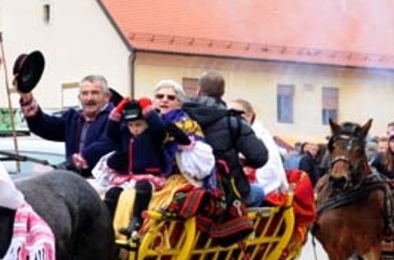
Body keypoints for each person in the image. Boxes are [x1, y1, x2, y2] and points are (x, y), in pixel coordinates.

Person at [183, 71, 268, 206]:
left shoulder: (180, 116)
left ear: (198, 91)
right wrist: (241, 162)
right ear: (222, 94)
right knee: (258, 192)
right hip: (226, 191)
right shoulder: (233, 121)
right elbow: (259, 157)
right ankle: (241, 224)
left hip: (186, 187)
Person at [18, 74, 115, 177]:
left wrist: (70, 163)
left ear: (107, 97)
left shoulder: (116, 119)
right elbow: (45, 127)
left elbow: (106, 144)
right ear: (79, 97)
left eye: (95, 93)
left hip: (105, 185)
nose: (89, 98)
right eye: (85, 93)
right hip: (74, 184)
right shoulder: (73, 119)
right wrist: (26, 96)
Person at [100, 97, 168, 236]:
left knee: (144, 188)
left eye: (138, 125)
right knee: (112, 192)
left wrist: (147, 109)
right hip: (128, 177)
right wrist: (119, 109)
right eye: (131, 125)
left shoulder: (152, 136)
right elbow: (111, 132)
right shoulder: (125, 135)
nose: (134, 129)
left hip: (149, 176)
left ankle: (137, 221)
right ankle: (104, 224)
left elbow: (159, 128)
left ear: (147, 124)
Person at [228, 98, 289, 201]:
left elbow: (269, 169)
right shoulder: (231, 130)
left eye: (236, 115)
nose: (231, 118)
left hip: (261, 186)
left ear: (249, 116)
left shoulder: (259, 135)